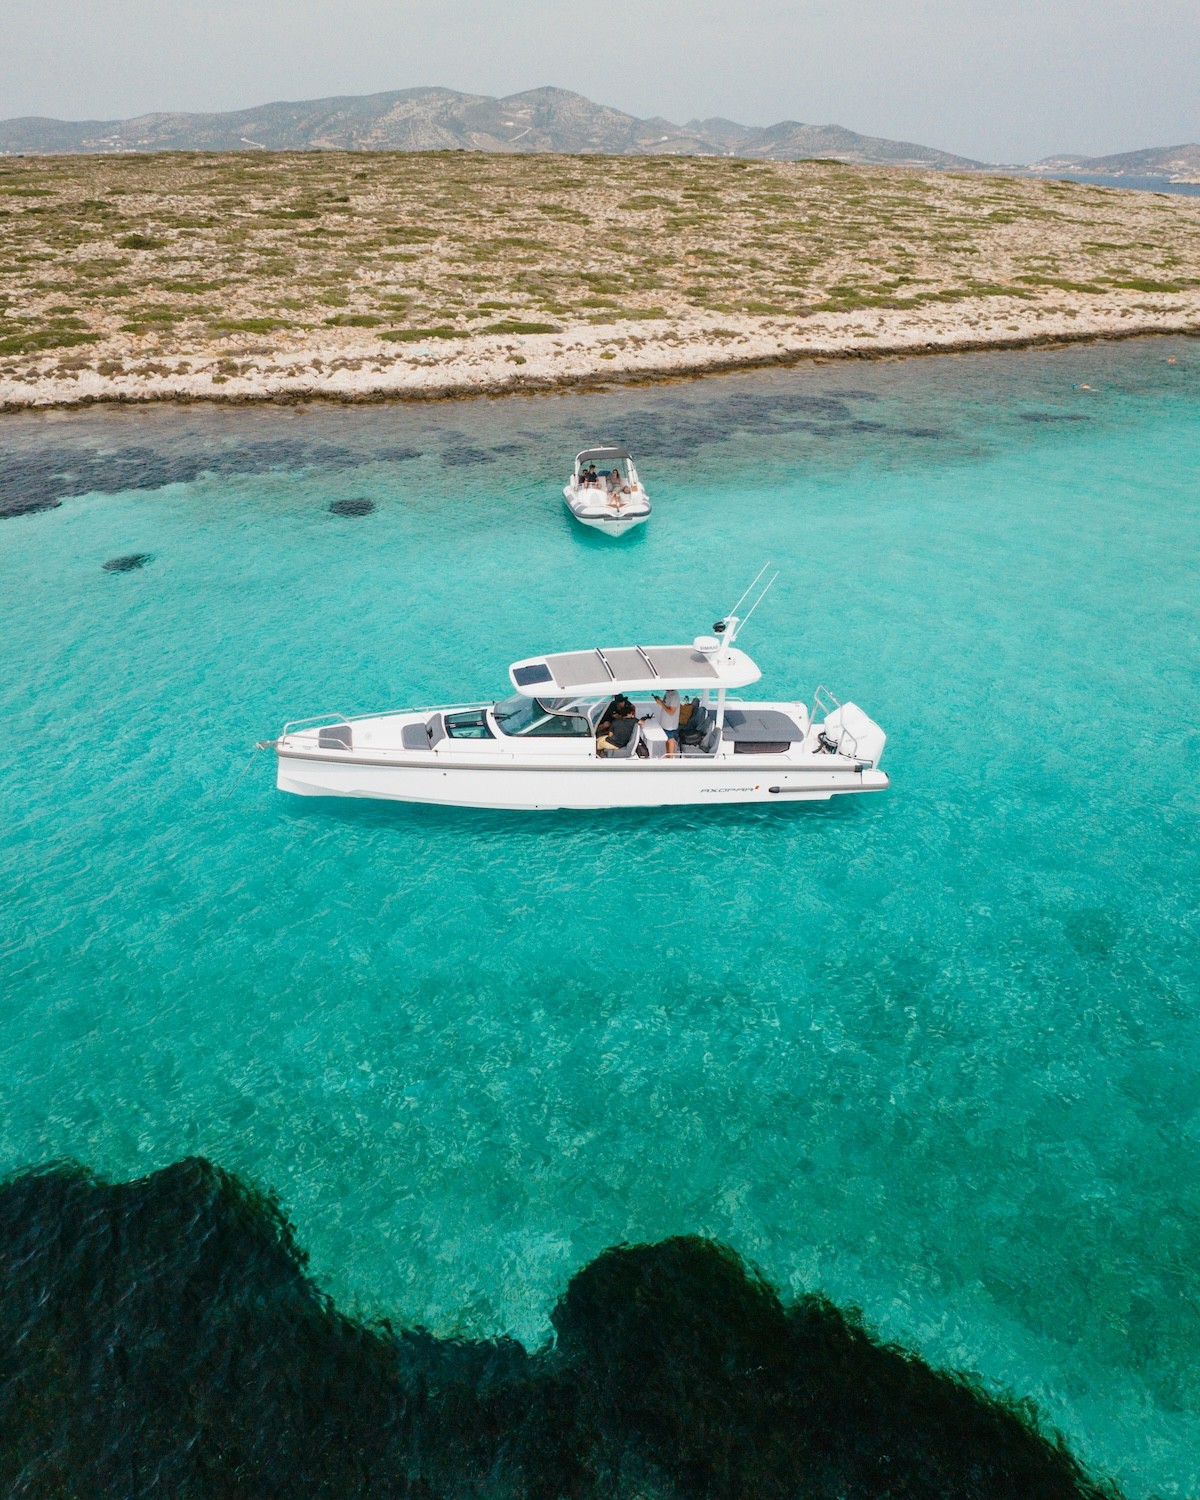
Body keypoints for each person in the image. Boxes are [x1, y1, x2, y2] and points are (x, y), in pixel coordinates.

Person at [653, 688, 681, 756]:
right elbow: (666, 704)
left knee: (670, 740)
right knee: (667, 739)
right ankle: (668, 756)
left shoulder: (674, 696)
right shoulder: (667, 693)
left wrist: (661, 703)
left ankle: (670, 759)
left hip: (670, 724)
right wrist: (660, 701)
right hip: (665, 723)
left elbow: (671, 711)